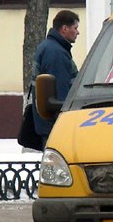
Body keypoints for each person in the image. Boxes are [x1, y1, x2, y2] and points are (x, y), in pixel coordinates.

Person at [31, 10, 80, 148]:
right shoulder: (56, 53)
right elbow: (60, 96)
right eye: (75, 28)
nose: (78, 32)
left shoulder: (48, 47)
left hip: (46, 122)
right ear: (65, 29)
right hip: (55, 125)